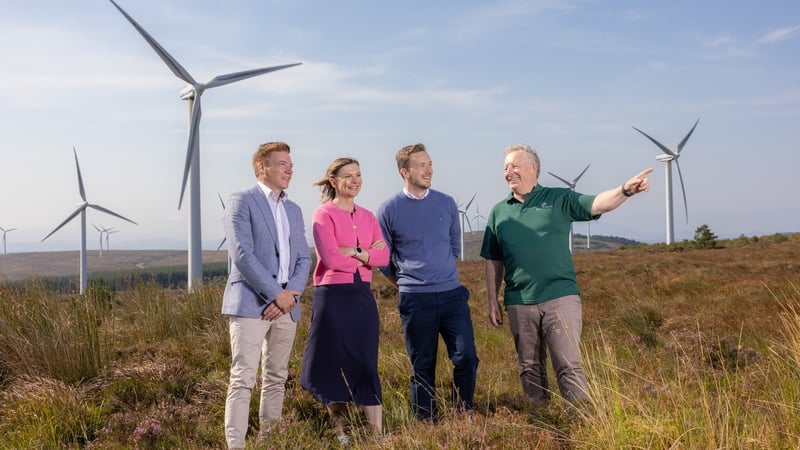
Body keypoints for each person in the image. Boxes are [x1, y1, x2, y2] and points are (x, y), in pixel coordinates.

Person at [481, 143, 653, 406]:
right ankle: (542, 422)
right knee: (529, 367)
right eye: (505, 168)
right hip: (519, 301)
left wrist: (625, 190)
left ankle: (583, 422)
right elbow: (493, 259)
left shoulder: (559, 198)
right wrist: (492, 299)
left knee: (568, 364)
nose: (508, 172)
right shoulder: (498, 211)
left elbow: (597, 204)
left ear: (533, 168)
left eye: (514, 166)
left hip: (560, 297)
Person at [376, 143, 479, 422]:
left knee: (466, 356)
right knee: (422, 365)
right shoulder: (388, 209)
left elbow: (455, 247)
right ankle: (425, 420)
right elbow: (383, 257)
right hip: (415, 299)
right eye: (422, 166)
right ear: (404, 172)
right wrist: (405, 282)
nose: (429, 170)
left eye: (430, 164)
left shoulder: (446, 202)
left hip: (451, 294)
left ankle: (463, 411)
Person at [221, 141, 312, 449]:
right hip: (250, 304)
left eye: (291, 164)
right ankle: (236, 445)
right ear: (262, 167)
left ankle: (269, 441)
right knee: (243, 378)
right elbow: (243, 254)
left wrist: (290, 295)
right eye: (282, 164)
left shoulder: (294, 209)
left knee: (276, 377)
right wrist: (276, 295)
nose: (290, 169)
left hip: (288, 305)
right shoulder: (241, 201)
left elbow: (303, 258)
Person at [300, 157, 389, 445]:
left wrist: (355, 251)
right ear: (333, 182)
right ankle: (341, 434)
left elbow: (384, 257)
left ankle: (375, 435)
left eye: (358, 175)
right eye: (348, 176)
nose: (355, 180)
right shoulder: (322, 214)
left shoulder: (368, 217)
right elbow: (331, 258)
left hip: (361, 296)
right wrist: (366, 254)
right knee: (332, 363)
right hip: (332, 297)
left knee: (366, 362)